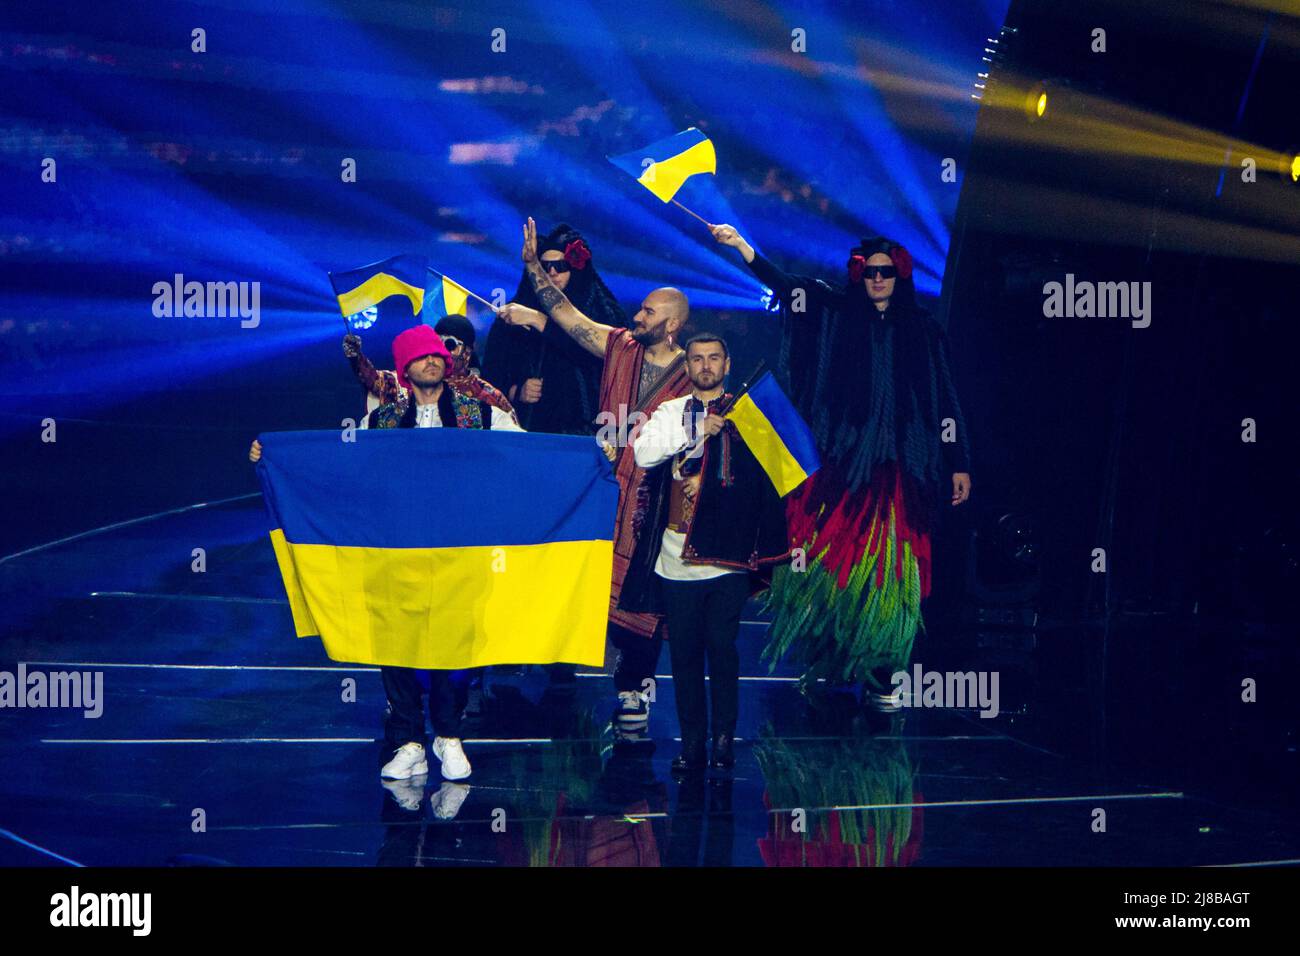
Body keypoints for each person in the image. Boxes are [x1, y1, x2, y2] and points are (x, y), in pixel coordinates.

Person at [709, 223, 972, 708]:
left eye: (885, 273)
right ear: (858, 275)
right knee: (832, 567)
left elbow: (946, 399)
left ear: (899, 276)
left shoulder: (924, 330)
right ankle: (830, 659)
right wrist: (745, 247)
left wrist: (959, 462)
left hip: (901, 466)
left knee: (890, 574)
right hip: (839, 461)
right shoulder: (833, 312)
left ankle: (884, 672)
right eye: (869, 272)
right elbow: (788, 287)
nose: (877, 279)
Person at [250, 325, 523, 785]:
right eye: (420, 357)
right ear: (404, 368)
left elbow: (532, 453)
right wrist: (272, 455)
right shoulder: (381, 423)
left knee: (456, 646)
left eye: (437, 355)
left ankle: (449, 736)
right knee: (396, 644)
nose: (431, 361)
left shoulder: (483, 414)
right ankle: (410, 741)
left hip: (463, 551)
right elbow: (338, 467)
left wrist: (588, 454)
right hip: (399, 553)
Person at [499, 216, 692, 728]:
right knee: (581, 579)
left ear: (671, 325)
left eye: (649, 311)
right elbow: (564, 315)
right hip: (602, 490)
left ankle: (633, 691)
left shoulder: (690, 377)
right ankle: (555, 661)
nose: (638, 313)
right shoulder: (618, 345)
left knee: (643, 599)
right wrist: (532, 270)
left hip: (653, 504)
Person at [625, 334, 790, 772]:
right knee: (682, 655)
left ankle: (722, 741)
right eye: (697, 358)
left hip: (727, 558)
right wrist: (695, 429)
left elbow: (774, 480)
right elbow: (643, 452)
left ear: (727, 363)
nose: (705, 365)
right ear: (687, 366)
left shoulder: (748, 416)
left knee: (722, 647)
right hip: (675, 558)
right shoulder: (670, 412)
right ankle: (692, 743)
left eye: (713, 358)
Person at [483, 223, 627, 435]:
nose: (552, 272)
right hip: (528, 432)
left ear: (577, 268)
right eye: (545, 266)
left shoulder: (603, 312)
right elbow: (490, 378)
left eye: (560, 266)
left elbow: (600, 358)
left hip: (588, 433)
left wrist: (540, 321)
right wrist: (516, 391)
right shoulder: (515, 314)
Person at [343, 313, 517, 425]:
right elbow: (374, 380)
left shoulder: (488, 399)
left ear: (468, 352)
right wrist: (356, 357)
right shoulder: (407, 383)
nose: (435, 356)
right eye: (435, 343)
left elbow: (518, 446)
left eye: (449, 344)